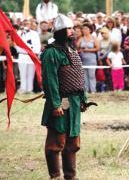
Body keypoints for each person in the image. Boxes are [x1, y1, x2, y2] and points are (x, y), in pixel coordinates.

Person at [41, 14, 88, 180]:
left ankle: (70, 176)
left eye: (72, 28)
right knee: (56, 143)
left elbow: (78, 77)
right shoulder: (51, 53)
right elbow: (50, 80)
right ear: (60, 31)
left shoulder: (72, 50)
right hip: (60, 101)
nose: (72, 31)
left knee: (73, 143)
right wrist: (55, 104)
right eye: (68, 29)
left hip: (74, 103)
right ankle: (55, 176)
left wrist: (83, 99)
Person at [16, 18, 41, 93]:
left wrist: (35, 52)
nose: (26, 24)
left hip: (32, 55)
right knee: (23, 72)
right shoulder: (19, 32)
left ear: (30, 24)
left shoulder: (35, 33)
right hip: (22, 55)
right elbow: (17, 44)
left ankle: (30, 89)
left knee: (31, 73)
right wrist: (24, 51)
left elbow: (37, 44)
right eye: (24, 22)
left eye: (27, 23)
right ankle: (23, 88)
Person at [78, 23, 99, 93]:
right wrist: (80, 48)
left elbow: (97, 48)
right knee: (84, 76)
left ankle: (93, 90)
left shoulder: (94, 38)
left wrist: (88, 50)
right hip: (83, 59)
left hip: (92, 59)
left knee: (91, 75)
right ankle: (86, 90)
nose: (84, 30)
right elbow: (77, 47)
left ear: (90, 30)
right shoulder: (81, 38)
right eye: (83, 29)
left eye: (86, 29)